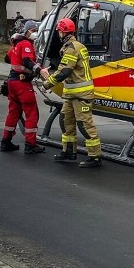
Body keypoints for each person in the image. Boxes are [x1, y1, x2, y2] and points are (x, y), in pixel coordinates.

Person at [40, 17, 102, 168]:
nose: (58, 34)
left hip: (81, 95)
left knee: (85, 125)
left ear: (63, 32)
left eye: (59, 32)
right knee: (66, 121)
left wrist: (47, 84)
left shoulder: (73, 48)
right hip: (72, 94)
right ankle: (69, 152)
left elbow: (64, 71)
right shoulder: (72, 46)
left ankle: (95, 157)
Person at [0, 21, 44, 154]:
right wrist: (39, 69)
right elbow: (26, 61)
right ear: (27, 31)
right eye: (33, 29)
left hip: (12, 83)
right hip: (22, 83)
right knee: (32, 113)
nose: (35, 32)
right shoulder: (25, 44)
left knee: (13, 113)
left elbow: (6, 59)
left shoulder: (16, 44)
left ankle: (5, 142)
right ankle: (30, 144)